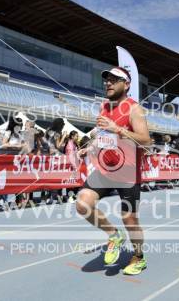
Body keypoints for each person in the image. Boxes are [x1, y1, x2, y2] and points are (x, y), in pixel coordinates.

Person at [76, 66, 151, 276]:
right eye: (107, 79)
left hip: (128, 172)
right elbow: (104, 136)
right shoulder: (104, 106)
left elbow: (147, 141)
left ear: (126, 84)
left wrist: (117, 128)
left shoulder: (134, 109)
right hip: (105, 168)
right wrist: (90, 148)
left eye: (114, 79)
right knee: (83, 204)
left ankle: (138, 257)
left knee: (130, 219)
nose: (108, 83)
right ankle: (113, 235)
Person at [62, 130, 80, 203]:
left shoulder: (74, 143)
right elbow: (70, 157)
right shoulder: (70, 145)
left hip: (74, 164)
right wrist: (75, 167)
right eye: (76, 136)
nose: (77, 137)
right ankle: (70, 197)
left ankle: (73, 196)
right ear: (72, 136)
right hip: (70, 166)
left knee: (74, 182)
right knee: (70, 182)